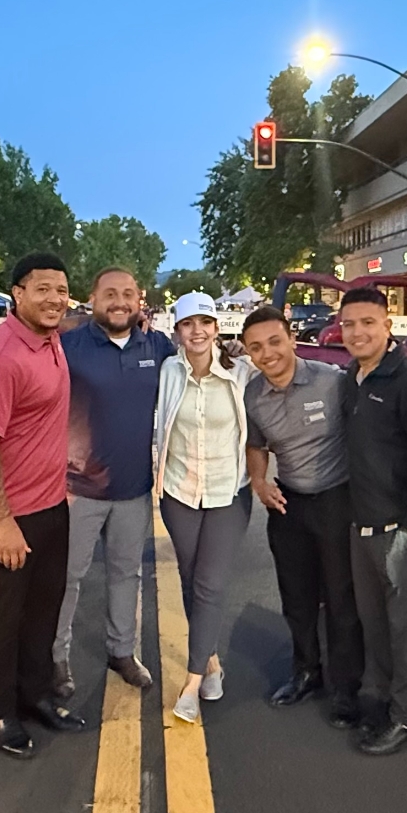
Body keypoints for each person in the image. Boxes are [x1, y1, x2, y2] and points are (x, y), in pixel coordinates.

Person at [0, 251, 85, 758]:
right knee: (2, 618)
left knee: (43, 611)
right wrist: (4, 523)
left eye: (61, 289)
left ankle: (36, 698)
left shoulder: (51, 340)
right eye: (42, 289)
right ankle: (1, 712)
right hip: (4, 514)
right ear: (18, 294)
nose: (54, 298)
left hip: (50, 504)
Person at [338, 285, 407, 756]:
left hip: (401, 530)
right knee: (375, 623)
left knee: (405, 629)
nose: (358, 332)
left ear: (388, 326)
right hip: (360, 526)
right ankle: (382, 700)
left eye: (368, 322)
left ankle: (405, 716)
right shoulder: (352, 378)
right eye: (349, 324)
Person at [240, 305, 365, 728]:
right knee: (297, 598)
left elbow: (365, 434)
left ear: (292, 338)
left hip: (336, 501)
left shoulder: (333, 381)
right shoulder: (253, 394)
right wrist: (259, 482)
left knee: (342, 599)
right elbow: (255, 444)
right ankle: (306, 671)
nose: (267, 353)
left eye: (275, 341)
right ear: (248, 353)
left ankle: (346, 688)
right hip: (289, 505)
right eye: (256, 347)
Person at [53, 266, 174, 699]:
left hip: (134, 488)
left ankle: (121, 650)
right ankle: (55, 659)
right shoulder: (66, 345)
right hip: (77, 489)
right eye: (110, 293)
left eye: (128, 293)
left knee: (127, 574)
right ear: (93, 298)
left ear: (140, 300)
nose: (119, 301)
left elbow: (199, 367)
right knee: (67, 577)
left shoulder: (158, 346)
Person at [154, 291, 255, 725]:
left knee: (210, 585)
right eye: (188, 324)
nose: (197, 331)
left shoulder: (241, 371)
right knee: (192, 579)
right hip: (180, 492)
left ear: (217, 328)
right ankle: (211, 661)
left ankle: (193, 682)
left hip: (228, 493)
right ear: (177, 330)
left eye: (205, 323)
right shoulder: (167, 370)